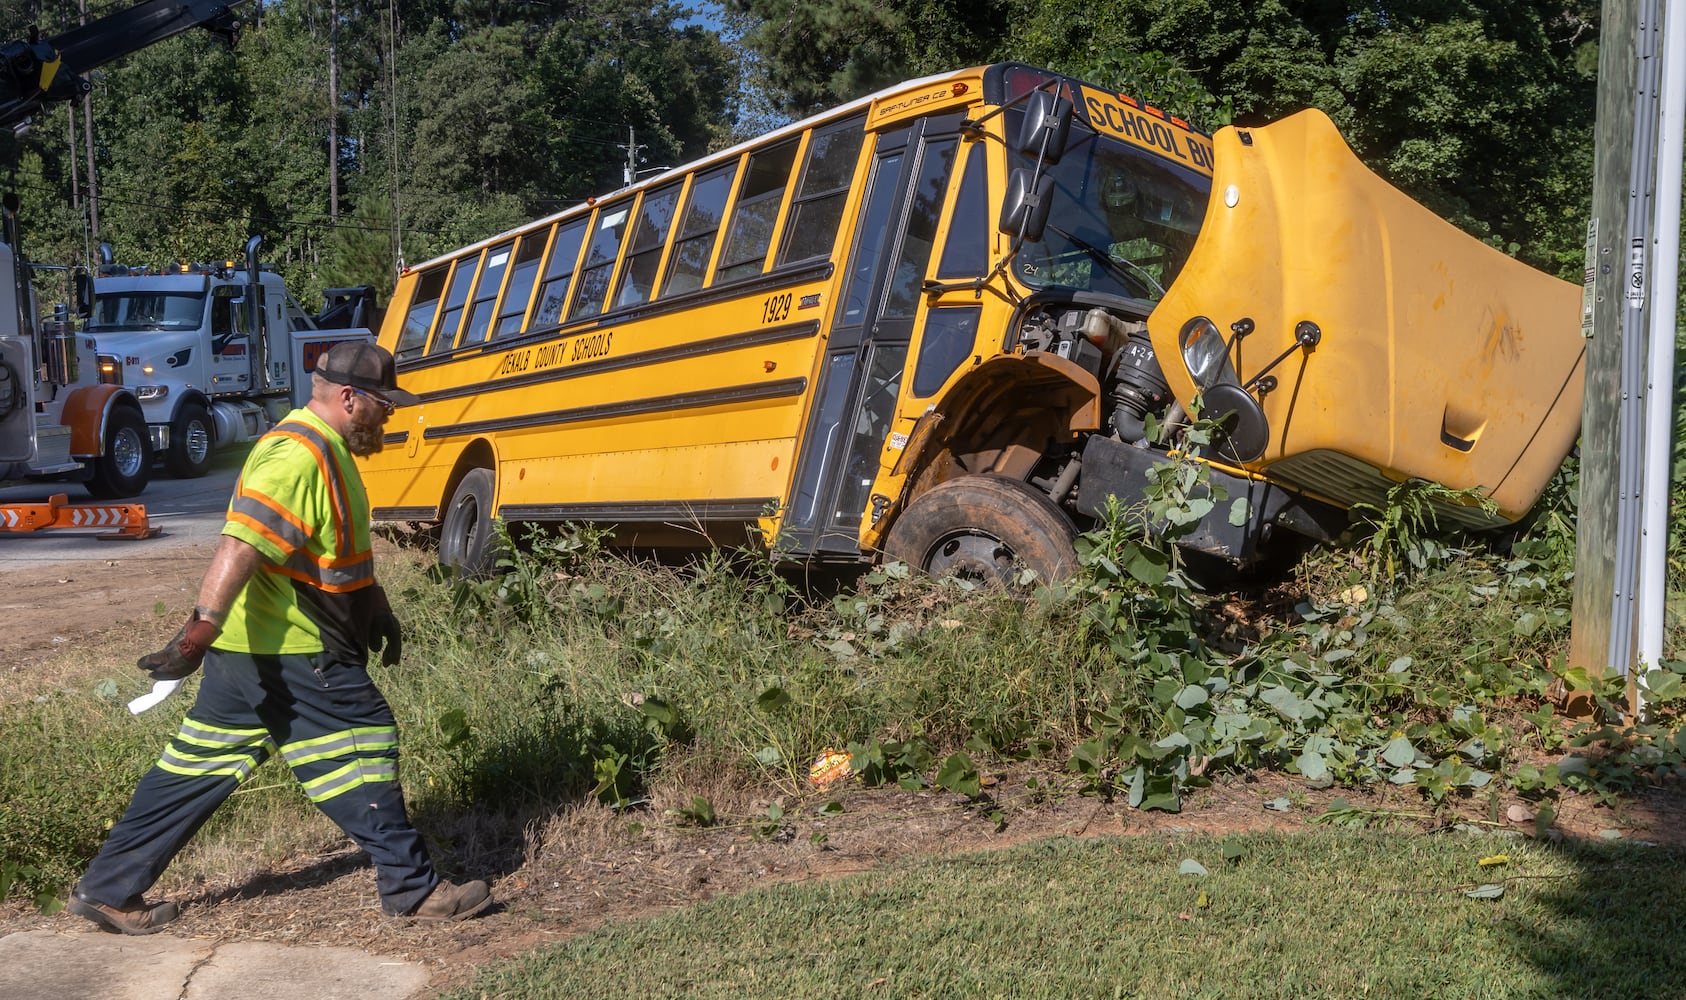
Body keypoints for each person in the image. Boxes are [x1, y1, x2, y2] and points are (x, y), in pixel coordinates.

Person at [69, 342, 491, 935]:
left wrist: (377, 607)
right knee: (365, 747)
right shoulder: (297, 459)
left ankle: (108, 889)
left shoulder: (325, 450)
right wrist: (194, 637)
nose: (390, 416)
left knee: (192, 770)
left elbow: (333, 552)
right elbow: (240, 547)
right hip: (297, 651)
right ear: (349, 398)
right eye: (383, 404)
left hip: (251, 655)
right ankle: (413, 891)